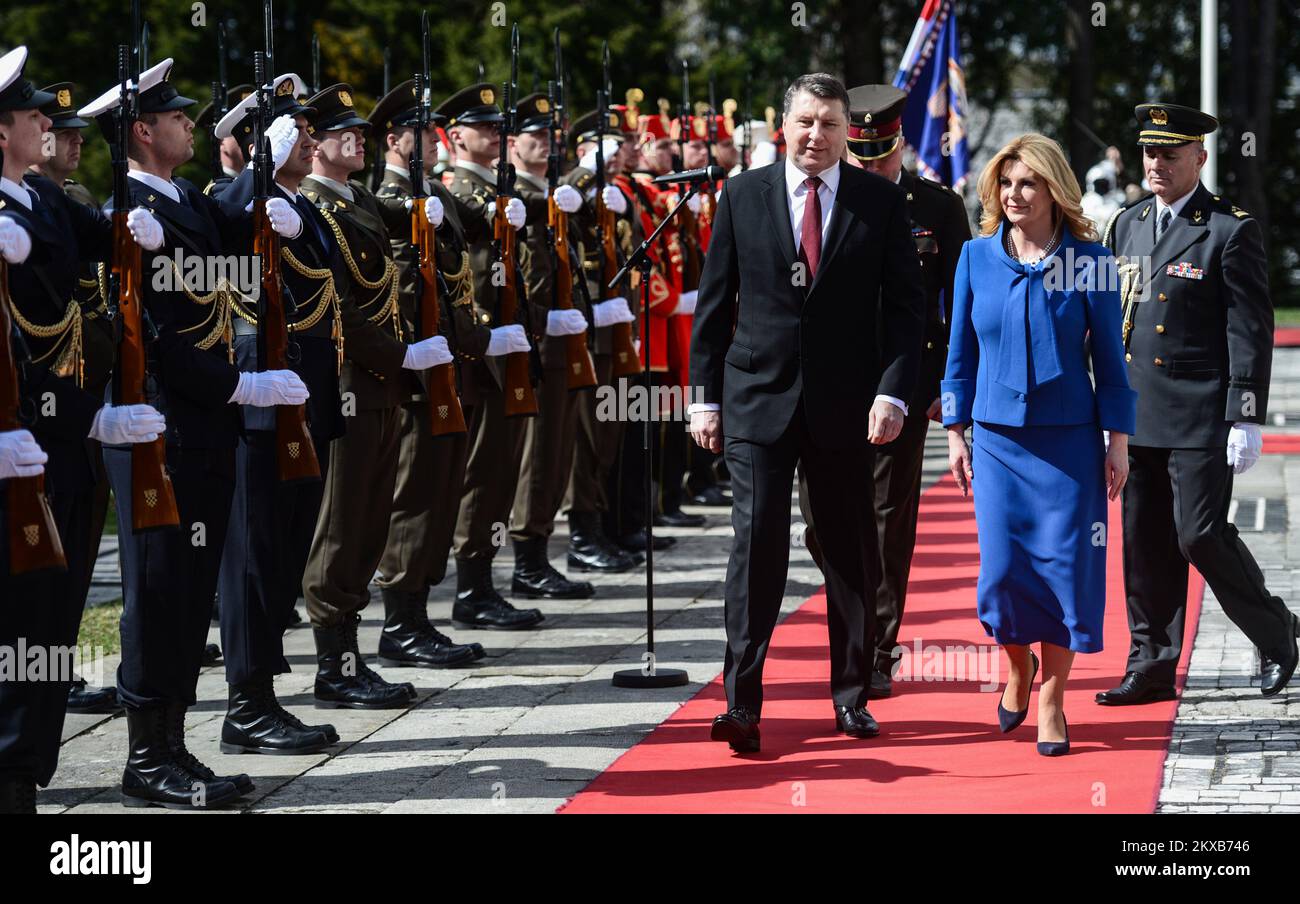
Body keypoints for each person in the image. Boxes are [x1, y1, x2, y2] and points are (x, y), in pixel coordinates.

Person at [690, 73, 924, 753]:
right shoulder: (741, 196)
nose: (816, 135)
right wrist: (702, 399)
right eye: (804, 122)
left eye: (829, 123)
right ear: (782, 127)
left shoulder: (879, 202)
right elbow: (714, 306)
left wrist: (893, 391)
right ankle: (743, 702)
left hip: (846, 405)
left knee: (847, 551)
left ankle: (852, 695)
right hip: (757, 400)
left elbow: (908, 310)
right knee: (757, 544)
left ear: (848, 130)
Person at [0, 46, 167, 812]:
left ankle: (27, 768)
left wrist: (136, 208)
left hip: (64, 442)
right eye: (34, 115)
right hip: (12, 446)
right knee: (11, 623)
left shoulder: (41, 202)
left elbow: (104, 244)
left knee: (52, 620)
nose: (46, 123)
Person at [1098, 103, 1298, 705]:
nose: (1157, 163)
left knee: (1198, 535)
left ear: (1200, 157)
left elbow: (1249, 326)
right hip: (1138, 410)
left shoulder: (1229, 229)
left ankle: (1276, 633)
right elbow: (1114, 322)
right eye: (1150, 152)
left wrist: (1246, 412)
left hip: (1200, 409)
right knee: (1144, 539)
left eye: (1171, 152)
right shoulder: (1127, 225)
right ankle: (1151, 664)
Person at [943, 133, 1136, 756]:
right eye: (1005, 182)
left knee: (1068, 573)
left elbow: (1110, 360)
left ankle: (1052, 697)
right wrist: (954, 431)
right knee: (1001, 573)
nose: (1014, 193)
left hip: (1071, 446)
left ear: (1054, 189)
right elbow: (960, 355)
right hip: (997, 441)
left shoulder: (1091, 261)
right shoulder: (975, 257)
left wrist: (1119, 441)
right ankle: (1017, 667)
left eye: (1027, 182)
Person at [797, 84, 971, 700]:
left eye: (881, 155)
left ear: (902, 145)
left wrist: (951, 387)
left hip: (905, 382)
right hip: (827, 385)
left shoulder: (939, 208)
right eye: (861, 155)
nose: (870, 166)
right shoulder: (823, 197)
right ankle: (856, 600)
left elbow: (958, 306)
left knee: (886, 519)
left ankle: (875, 645)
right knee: (819, 520)